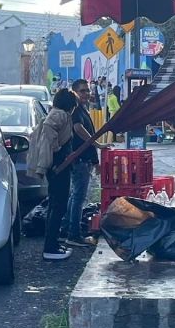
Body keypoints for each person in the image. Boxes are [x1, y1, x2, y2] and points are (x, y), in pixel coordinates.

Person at [26, 88, 78, 260]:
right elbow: (49, 126)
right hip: (58, 165)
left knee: (55, 204)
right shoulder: (60, 114)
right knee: (59, 205)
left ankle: (53, 243)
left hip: (58, 164)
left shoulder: (58, 113)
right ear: (69, 104)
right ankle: (50, 247)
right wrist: (56, 147)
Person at [61, 79, 111, 246]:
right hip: (79, 160)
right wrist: (97, 144)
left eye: (87, 90)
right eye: (82, 91)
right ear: (75, 92)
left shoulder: (83, 110)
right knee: (78, 197)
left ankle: (65, 228)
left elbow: (88, 132)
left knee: (75, 195)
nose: (86, 94)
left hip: (85, 159)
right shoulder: (75, 111)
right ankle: (73, 234)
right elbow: (78, 129)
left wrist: (96, 160)